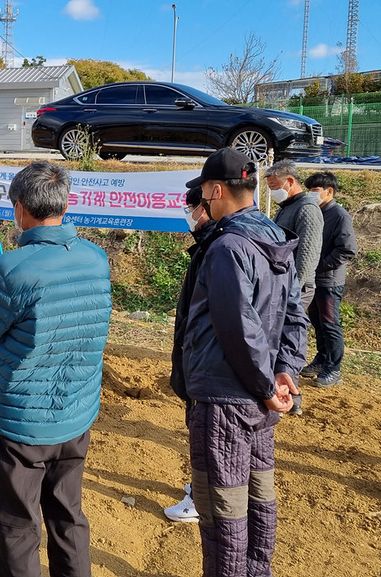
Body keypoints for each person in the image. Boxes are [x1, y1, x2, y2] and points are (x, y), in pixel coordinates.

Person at [0, 161, 112, 577]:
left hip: (22, 425)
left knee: (17, 525)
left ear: (20, 209)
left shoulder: (11, 269)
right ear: (63, 206)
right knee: (69, 517)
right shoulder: (96, 259)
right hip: (77, 413)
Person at [181, 148, 307, 577]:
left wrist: (264, 386)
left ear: (216, 190)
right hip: (261, 399)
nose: (201, 202)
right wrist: (285, 372)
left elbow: (238, 327)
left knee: (222, 511)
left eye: (203, 193)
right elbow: (294, 312)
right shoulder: (273, 236)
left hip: (225, 397)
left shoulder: (227, 248)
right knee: (256, 497)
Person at [165, 184, 216, 525]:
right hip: (200, 360)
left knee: (209, 436)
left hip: (208, 366)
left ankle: (202, 498)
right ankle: (204, 489)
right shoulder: (210, 245)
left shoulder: (219, 249)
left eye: (192, 207)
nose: (190, 214)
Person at [265, 159, 323, 414]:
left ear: (290, 181)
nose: (272, 190)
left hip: (297, 286)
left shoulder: (307, 210)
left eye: (275, 185)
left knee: (289, 338)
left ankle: (293, 396)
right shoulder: (286, 206)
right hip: (284, 285)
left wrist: (293, 291)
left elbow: (308, 256)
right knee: (278, 337)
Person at [301, 172, 357, 388]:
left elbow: (347, 249)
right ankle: (322, 359)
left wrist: (321, 264)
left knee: (330, 324)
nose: (311, 195)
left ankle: (334, 369)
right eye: (310, 191)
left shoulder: (339, 215)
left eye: (315, 191)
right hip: (314, 278)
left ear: (329, 191)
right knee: (318, 323)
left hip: (329, 281)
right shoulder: (316, 212)